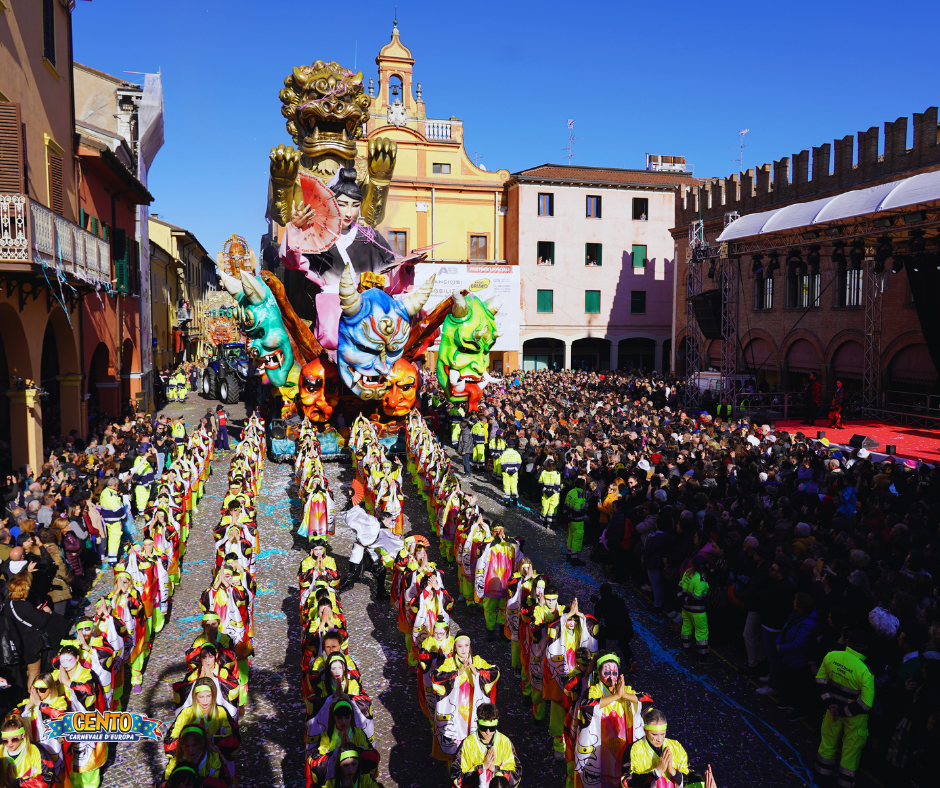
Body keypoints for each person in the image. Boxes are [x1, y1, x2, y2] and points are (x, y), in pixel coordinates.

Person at [814, 629, 874, 788]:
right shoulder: (865, 671)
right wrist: (844, 711)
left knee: (828, 743)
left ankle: (822, 777)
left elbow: (820, 680)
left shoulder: (832, 656)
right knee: (850, 753)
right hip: (855, 719)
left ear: (847, 643)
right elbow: (866, 704)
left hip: (832, 712)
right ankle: (844, 784)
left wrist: (831, 705)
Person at [450, 703, 521, 787]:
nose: (487, 732)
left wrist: (495, 769)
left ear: (497, 723)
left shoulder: (505, 742)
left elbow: (516, 776)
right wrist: (482, 768)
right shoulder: (467, 744)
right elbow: (456, 778)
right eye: (483, 728)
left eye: (492, 728)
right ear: (477, 724)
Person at [625, 708, 692, 788]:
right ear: (644, 730)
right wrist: (657, 772)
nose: (659, 739)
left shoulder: (676, 746)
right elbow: (627, 782)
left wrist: (673, 771)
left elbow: (689, 779)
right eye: (654, 734)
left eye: (663, 734)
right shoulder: (634, 749)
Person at [679, 555, 711, 663]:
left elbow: (680, 587)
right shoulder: (701, 580)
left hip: (685, 609)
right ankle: (702, 655)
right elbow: (697, 597)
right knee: (701, 631)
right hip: (698, 611)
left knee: (686, 627)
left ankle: (686, 648)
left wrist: (683, 600)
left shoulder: (687, 573)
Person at [564, 479, 588, 565]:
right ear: (582, 485)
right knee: (577, 539)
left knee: (571, 536)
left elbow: (566, 505)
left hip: (570, 520)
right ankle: (575, 559)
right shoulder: (580, 494)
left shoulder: (571, 491)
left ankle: (569, 555)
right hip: (578, 521)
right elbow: (578, 509)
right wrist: (584, 513)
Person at [538, 458, 562, 529]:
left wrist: (546, 491)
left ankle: (543, 522)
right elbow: (557, 485)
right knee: (552, 509)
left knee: (545, 507)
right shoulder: (557, 473)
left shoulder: (543, 472)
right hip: (554, 495)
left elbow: (540, 483)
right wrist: (552, 492)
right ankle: (550, 524)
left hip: (545, 494)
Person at [498, 441, 522, 507]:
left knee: (507, 487)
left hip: (506, 473)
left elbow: (502, 463)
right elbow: (519, 463)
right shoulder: (516, 453)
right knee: (514, 487)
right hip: (514, 473)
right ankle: (515, 501)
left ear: (507, 445)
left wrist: (508, 470)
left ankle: (507, 502)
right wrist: (514, 470)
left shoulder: (504, 453)